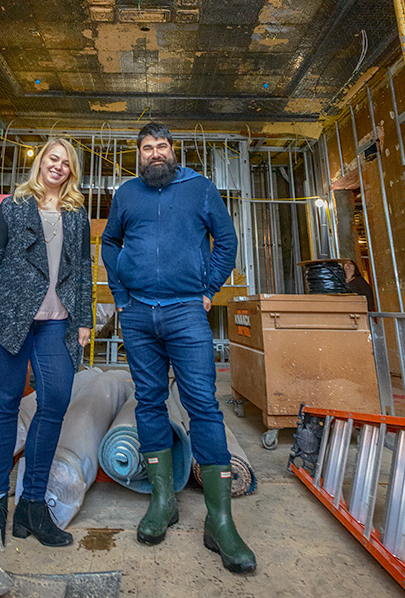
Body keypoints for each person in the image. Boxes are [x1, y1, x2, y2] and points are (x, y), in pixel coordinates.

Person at [102, 122, 256, 574]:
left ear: (174, 151)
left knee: (203, 406)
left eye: (161, 146)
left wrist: (207, 289)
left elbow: (225, 242)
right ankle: (163, 503)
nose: (154, 153)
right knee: (148, 402)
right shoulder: (127, 194)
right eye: (147, 148)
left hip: (186, 311)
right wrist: (121, 293)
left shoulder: (199, 188)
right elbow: (110, 242)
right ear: (139, 155)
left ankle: (220, 521)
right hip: (137, 315)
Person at [0, 138, 93, 545]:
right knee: (5, 406)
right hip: (10, 319)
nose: (57, 167)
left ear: (72, 171)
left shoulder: (77, 214)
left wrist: (84, 319)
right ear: (40, 162)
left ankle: (32, 505)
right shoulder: (12, 206)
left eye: (66, 163)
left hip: (56, 324)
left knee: (55, 401)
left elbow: (83, 270)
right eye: (52, 159)